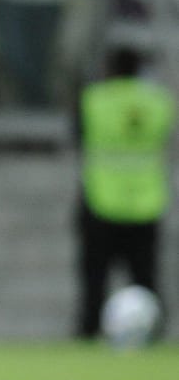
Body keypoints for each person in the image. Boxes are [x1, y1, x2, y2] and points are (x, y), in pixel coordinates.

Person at [75, 47, 176, 339]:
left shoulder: (95, 100)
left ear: (110, 69)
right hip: (145, 201)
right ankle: (153, 333)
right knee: (145, 278)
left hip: (101, 199)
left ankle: (88, 331)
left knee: (95, 277)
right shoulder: (158, 102)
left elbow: (78, 137)